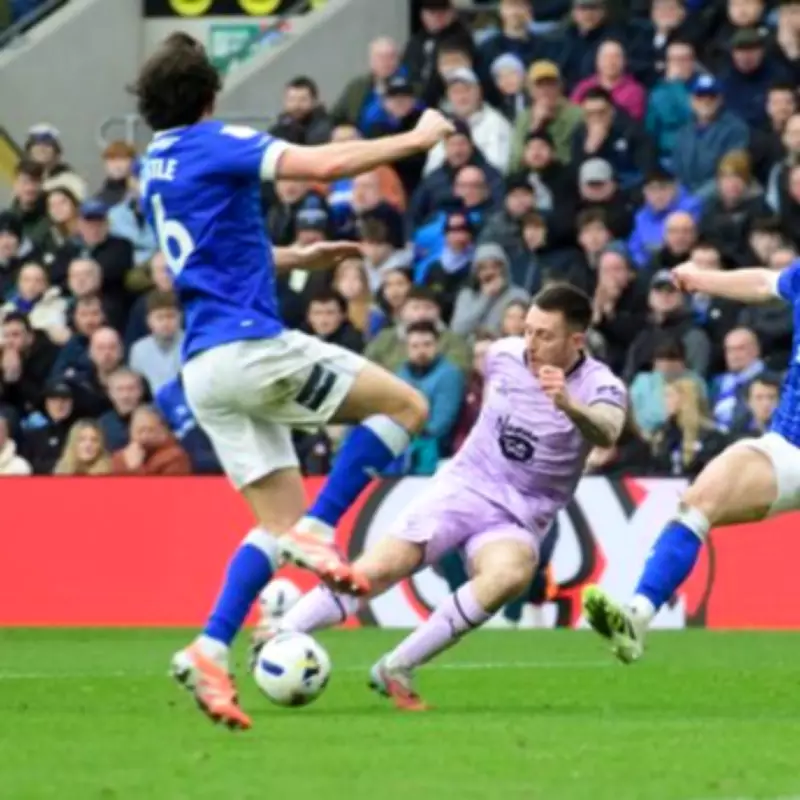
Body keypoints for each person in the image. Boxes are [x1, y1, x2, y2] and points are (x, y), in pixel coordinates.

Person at [133, 32, 453, 728]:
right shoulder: (217, 142)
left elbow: (208, 257)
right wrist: (418, 135)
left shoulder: (153, 163)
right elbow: (327, 161)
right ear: (209, 97)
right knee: (407, 404)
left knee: (270, 529)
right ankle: (321, 527)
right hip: (250, 350)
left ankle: (210, 648)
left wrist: (293, 255)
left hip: (203, 371)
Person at [264, 284, 627, 709]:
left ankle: (396, 667)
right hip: (465, 485)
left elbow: (609, 429)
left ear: (576, 340)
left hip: (519, 516)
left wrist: (570, 407)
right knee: (380, 567)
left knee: (511, 574)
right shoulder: (504, 355)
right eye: (528, 329)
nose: (530, 343)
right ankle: (280, 635)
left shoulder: (600, 385)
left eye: (544, 335)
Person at [582, 255, 800, 664]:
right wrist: (701, 279)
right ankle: (636, 619)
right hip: (789, 447)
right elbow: (765, 282)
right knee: (699, 503)